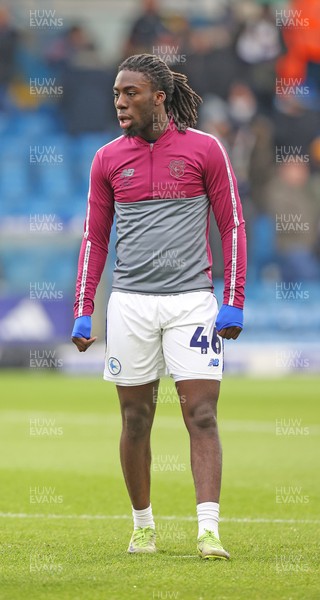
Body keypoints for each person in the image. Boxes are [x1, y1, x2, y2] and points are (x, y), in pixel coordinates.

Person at [71, 54, 246, 560]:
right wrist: (86, 309)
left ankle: (208, 531)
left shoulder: (205, 150)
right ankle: (143, 525)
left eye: (130, 94)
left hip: (192, 302)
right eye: (117, 95)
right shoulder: (107, 159)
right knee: (136, 420)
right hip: (129, 305)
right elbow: (94, 239)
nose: (121, 103)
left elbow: (232, 225)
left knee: (203, 414)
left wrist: (232, 300)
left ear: (159, 97)